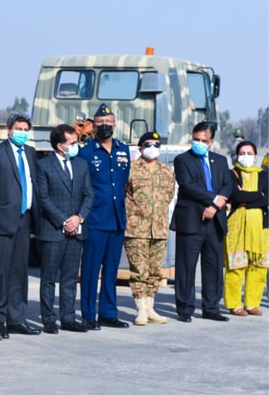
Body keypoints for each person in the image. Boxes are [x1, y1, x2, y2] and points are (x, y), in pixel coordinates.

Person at [171, 121, 232, 322]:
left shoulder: (220, 161)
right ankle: (185, 308)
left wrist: (215, 207)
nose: (199, 143)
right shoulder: (183, 160)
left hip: (214, 222)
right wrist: (213, 199)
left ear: (211, 142)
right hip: (190, 221)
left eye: (203, 140)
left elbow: (227, 186)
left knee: (213, 266)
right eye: (195, 139)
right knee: (186, 266)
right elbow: (188, 186)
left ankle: (211, 307)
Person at [0, 113, 41, 338]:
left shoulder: (30, 153)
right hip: (1, 220)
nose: (21, 133)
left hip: (24, 219)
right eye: (18, 128)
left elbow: (31, 183)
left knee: (19, 272)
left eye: (25, 129)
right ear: (9, 130)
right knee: (0, 272)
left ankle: (16, 318)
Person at [36, 124, 93, 334]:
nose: (77, 146)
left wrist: (79, 218)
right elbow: (44, 198)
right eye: (73, 143)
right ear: (60, 146)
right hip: (53, 231)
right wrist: (64, 221)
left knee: (70, 277)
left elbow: (89, 194)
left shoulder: (81, 165)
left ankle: (68, 317)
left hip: (76, 230)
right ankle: (49, 319)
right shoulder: (44, 166)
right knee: (49, 278)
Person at [78, 104, 131, 330]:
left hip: (117, 219)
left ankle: (108, 312)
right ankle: (89, 314)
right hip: (95, 219)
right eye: (100, 123)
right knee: (90, 270)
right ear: (93, 125)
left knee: (111, 270)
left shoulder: (123, 149)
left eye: (108, 122)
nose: (105, 126)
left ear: (115, 124)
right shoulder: (86, 152)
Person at [124, 132, 175, 325]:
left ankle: (150, 307)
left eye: (156, 144)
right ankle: (141, 310)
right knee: (139, 270)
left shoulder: (167, 171)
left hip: (159, 228)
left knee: (155, 270)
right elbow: (124, 195)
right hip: (137, 228)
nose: (152, 147)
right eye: (148, 144)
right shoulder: (131, 170)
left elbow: (169, 195)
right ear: (140, 148)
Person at [224, 141, 268, 316]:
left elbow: (267, 199)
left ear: (256, 156)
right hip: (237, 226)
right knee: (236, 266)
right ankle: (234, 304)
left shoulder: (264, 175)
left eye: (250, 153)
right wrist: (259, 195)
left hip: (261, 227)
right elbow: (235, 195)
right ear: (237, 155)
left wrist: (245, 199)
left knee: (258, 266)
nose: (246, 156)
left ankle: (252, 304)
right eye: (242, 153)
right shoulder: (231, 174)